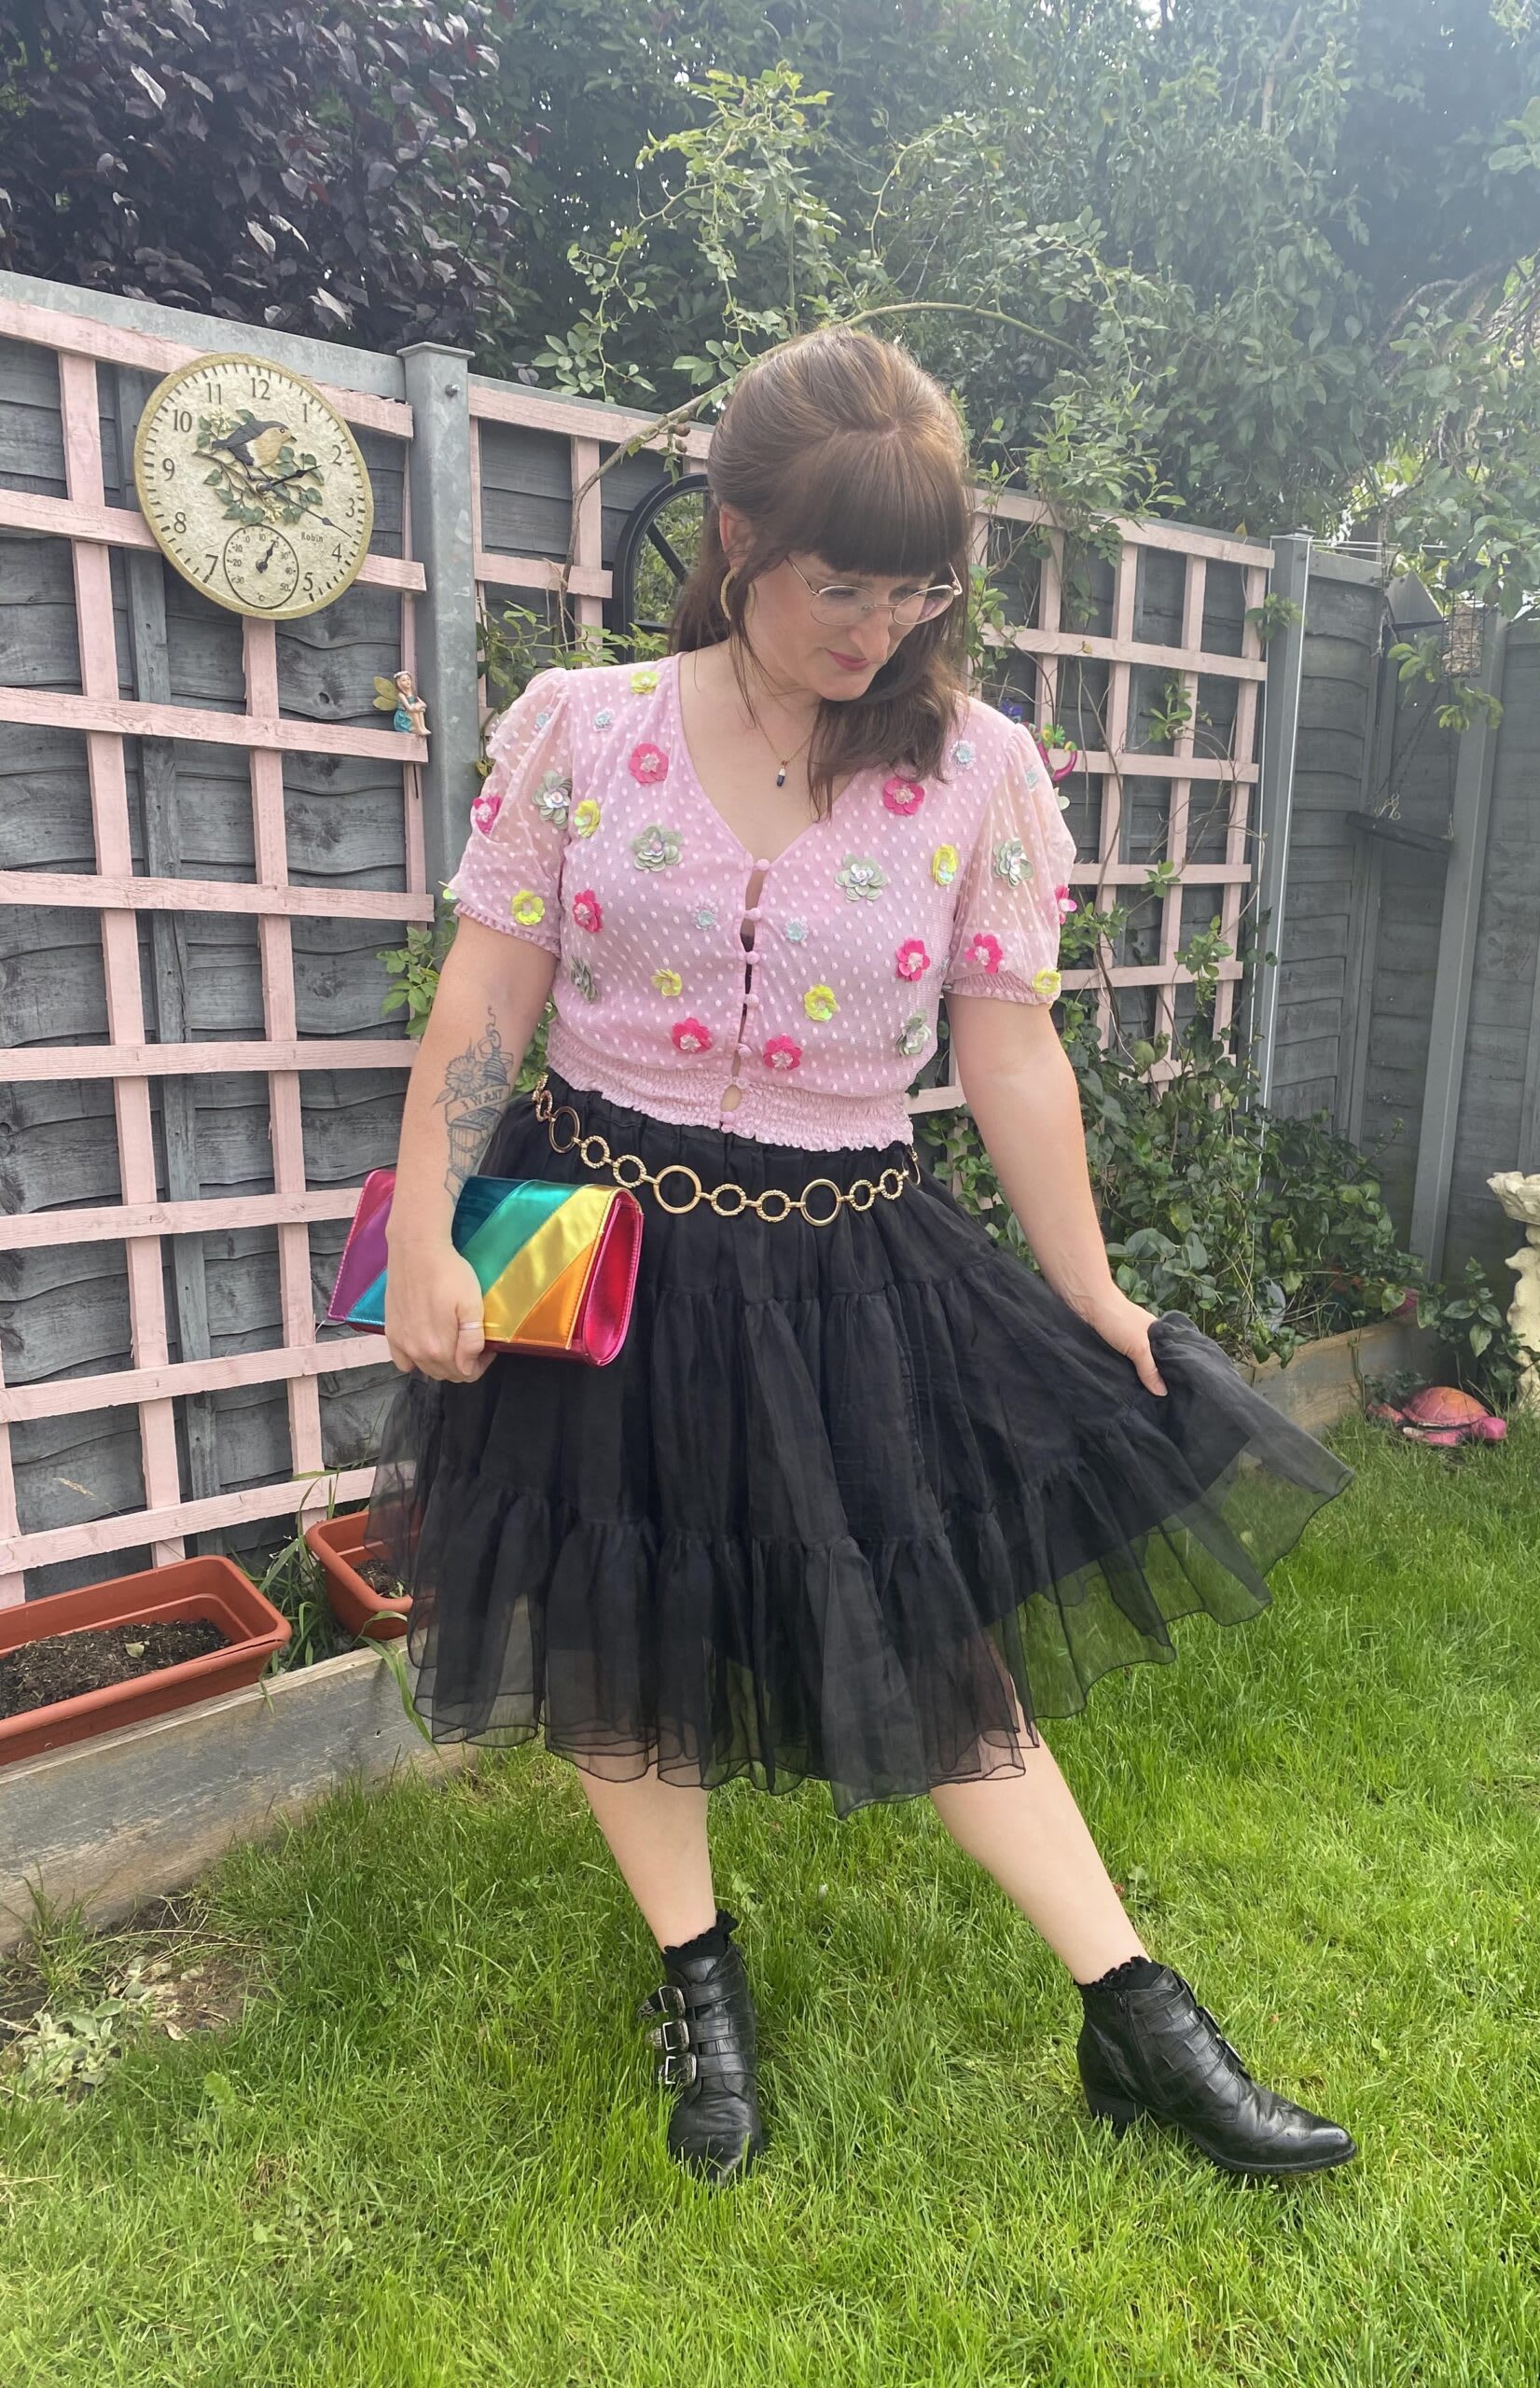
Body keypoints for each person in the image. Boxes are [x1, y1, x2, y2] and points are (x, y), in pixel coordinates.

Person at [366, 326, 1357, 2189]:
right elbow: (489, 989)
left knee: (927, 1628)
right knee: (611, 1598)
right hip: (579, 1225)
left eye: (919, 588)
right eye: (845, 583)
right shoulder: (583, 728)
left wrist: (1094, 1292)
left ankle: (1136, 2007)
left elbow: (1010, 1048)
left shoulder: (977, 769)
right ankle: (695, 1974)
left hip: (840, 1262)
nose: (881, 626)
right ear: (736, 536)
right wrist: (423, 1219)